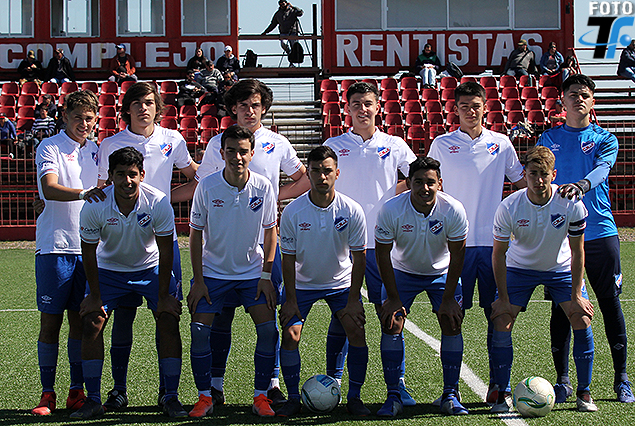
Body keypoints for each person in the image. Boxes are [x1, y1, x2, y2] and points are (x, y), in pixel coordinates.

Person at [171, 78, 309, 409]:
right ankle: (214, 385)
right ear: (234, 108)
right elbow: (202, 185)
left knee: (270, 315)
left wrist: (277, 198)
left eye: (256, 105)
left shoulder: (277, 142)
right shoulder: (218, 142)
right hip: (221, 252)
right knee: (220, 319)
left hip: (261, 249)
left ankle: (271, 383)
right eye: (244, 105)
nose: (250, 110)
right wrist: (159, 202)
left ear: (264, 109)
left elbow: (303, 178)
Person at [96, 81, 198, 411]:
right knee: (122, 319)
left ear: (159, 108)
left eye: (150, 102)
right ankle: (118, 390)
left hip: (160, 244)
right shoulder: (111, 143)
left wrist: (167, 200)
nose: (144, 108)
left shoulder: (173, 139)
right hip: (122, 244)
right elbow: (101, 189)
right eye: (137, 102)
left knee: (167, 315)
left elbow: (196, 177)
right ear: (127, 108)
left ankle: (169, 394)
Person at [537, 74, 635, 403]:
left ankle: (621, 379)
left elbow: (602, 171)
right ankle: (563, 380)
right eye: (573, 94)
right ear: (561, 101)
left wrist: (581, 185)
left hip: (599, 232)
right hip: (559, 235)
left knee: (608, 303)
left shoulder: (605, 138)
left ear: (592, 102)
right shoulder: (547, 138)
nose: (580, 98)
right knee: (563, 306)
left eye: (585, 95)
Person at [428, 81, 525, 405]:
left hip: (493, 245)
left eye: (476, 106)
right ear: (455, 110)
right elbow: (429, 187)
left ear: (486, 108)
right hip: (453, 246)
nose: (471, 111)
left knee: (499, 314)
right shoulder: (442, 144)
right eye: (464, 106)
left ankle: (501, 387)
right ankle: (450, 391)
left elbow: (522, 182)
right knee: (452, 317)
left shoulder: (501, 143)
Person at [72, 146, 186, 419]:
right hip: (109, 270)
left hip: (149, 269)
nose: (127, 181)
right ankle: (94, 400)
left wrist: (164, 297)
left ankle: (170, 396)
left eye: (132, 174)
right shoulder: (95, 204)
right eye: (120, 174)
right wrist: (95, 296)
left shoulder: (157, 201)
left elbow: (166, 249)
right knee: (91, 322)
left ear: (142, 175)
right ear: (110, 176)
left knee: (168, 318)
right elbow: (88, 251)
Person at [323, 82, 417, 405]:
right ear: (347, 109)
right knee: (342, 315)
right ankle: (333, 382)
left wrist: (397, 192)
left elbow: (417, 178)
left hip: (381, 246)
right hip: (341, 244)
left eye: (368, 103)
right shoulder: (335, 145)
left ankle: (398, 384)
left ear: (378, 107)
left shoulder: (394, 145)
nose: (362, 109)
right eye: (356, 104)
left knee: (390, 316)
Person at [490, 145, 597, 413]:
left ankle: (583, 393)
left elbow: (577, 251)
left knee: (581, 316)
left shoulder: (571, 204)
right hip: (519, 268)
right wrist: (503, 299)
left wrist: (576, 296)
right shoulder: (509, 206)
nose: (539, 180)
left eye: (544, 174)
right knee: (502, 319)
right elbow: (499, 255)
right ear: (524, 174)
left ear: (554, 174)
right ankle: (501, 393)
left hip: (559, 269)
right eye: (533, 173)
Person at [188, 125, 279, 418]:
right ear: (222, 152)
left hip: (252, 273)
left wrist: (266, 276)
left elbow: (270, 233)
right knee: (200, 331)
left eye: (243, 151)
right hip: (213, 274)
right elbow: (195, 234)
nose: (237, 157)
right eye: (231, 151)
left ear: (252, 154)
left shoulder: (264, 187)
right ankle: (205, 396)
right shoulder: (207, 186)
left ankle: (261, 396)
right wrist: (199, 280)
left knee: (268, 330)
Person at [275, 145, 369, 417]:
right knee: (291, 334)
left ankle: (354, 397)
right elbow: (288, 259)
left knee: (356, 329)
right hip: (302, 285)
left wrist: (353, 300)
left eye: (327, 170)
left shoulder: (351, 209)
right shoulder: (293, 211)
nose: (321, 176)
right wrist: (290, 300)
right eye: (315, 171)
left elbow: (359, 258)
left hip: (340, 284)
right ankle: (293, 398)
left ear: (337, 173)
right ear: (310, 174)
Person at [374, 156, 469, 417]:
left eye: (430, 182)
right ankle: (394, 393)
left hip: (441, 272)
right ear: (407, 183)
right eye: (418, 182)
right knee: (391, 321)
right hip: (403, 271)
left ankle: (450, 393)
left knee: (451, 321)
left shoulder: (453, 209)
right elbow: (382, 255)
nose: (424, 188)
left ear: (440, 183)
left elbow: (458, 255)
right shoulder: (391, 209)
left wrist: (449, 297)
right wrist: (393, 298)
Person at [31, 89, 105, 416]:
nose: (84, 124)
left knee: (81, 323)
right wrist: (85, 193)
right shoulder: (49, 147)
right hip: (54, 248)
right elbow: (48, 188)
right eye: (78, 117)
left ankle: (76, 392)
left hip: (88, 250)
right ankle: (47, 394)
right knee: (50, 324)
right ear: (65, 116)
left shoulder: (98, 151)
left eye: (90, 118)